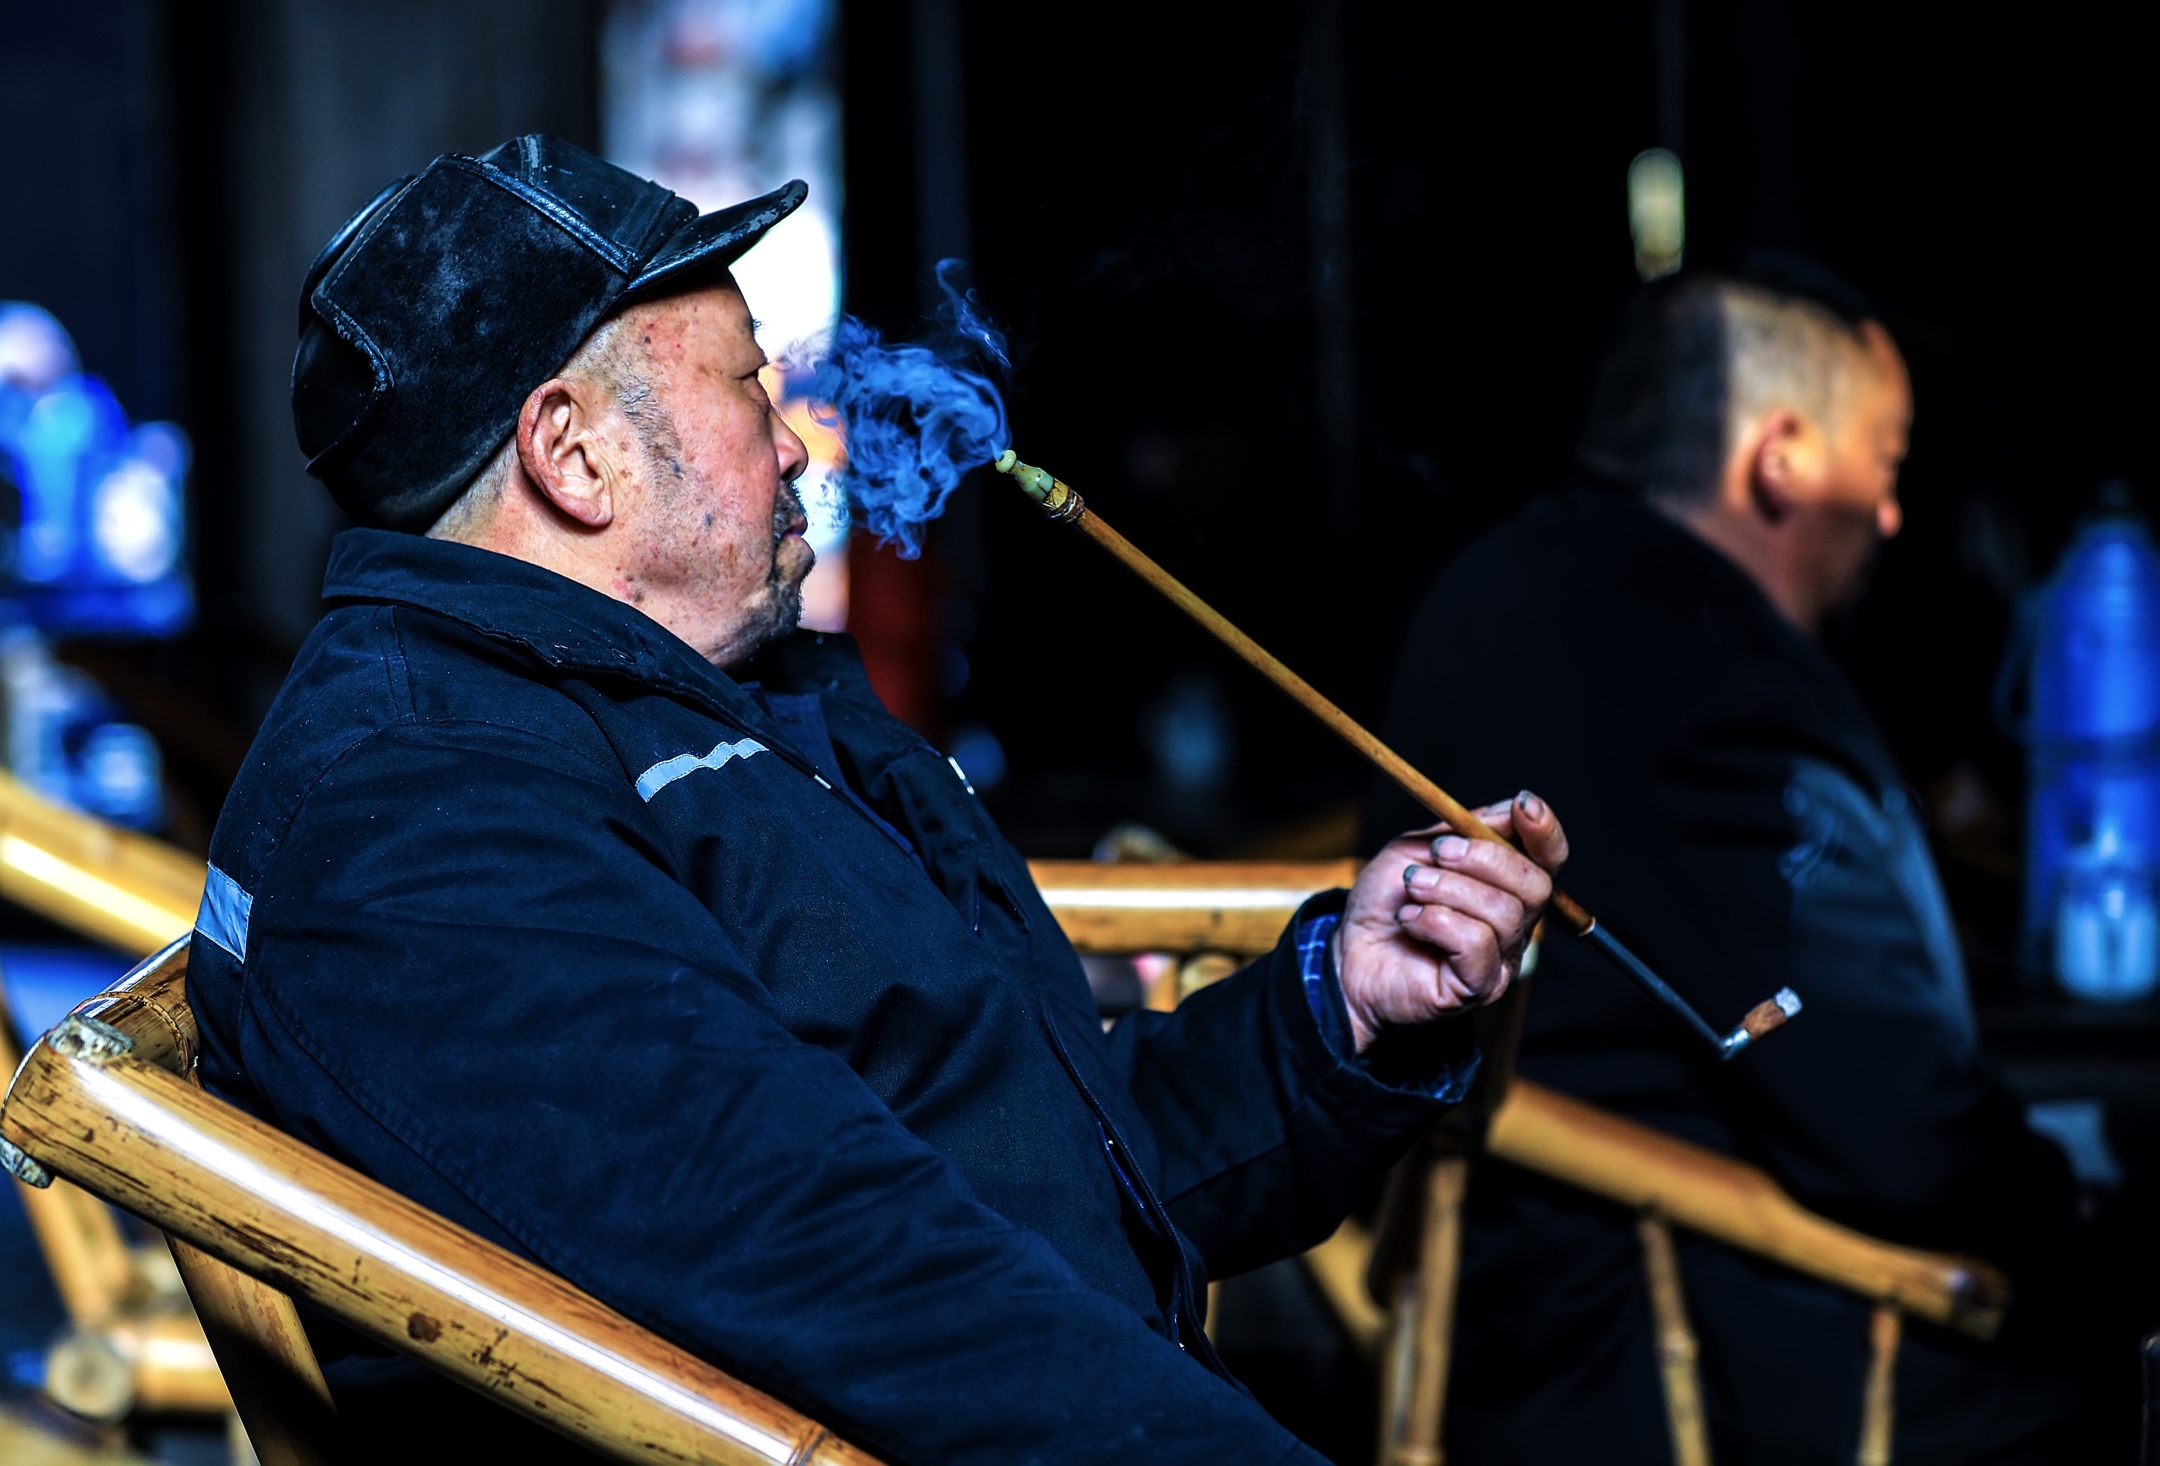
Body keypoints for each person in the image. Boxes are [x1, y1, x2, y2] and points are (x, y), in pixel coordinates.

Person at [187, 135, 1569, 1463]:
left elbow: (1010, 1141)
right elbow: (844, 1263)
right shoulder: (418, 808)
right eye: (747, 394)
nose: (795, 450)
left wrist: (1341, 1010)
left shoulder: (673, 701)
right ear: (574, 456)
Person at [1363, 263, 2128, 1463]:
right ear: (1782, 457)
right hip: (1688, 1343)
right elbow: (1907, 1134)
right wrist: (2062, 1208)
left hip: (1513, 1295)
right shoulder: (1711, 676)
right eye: (1882, 462)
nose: (1888, 515)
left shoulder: (1502, 579)